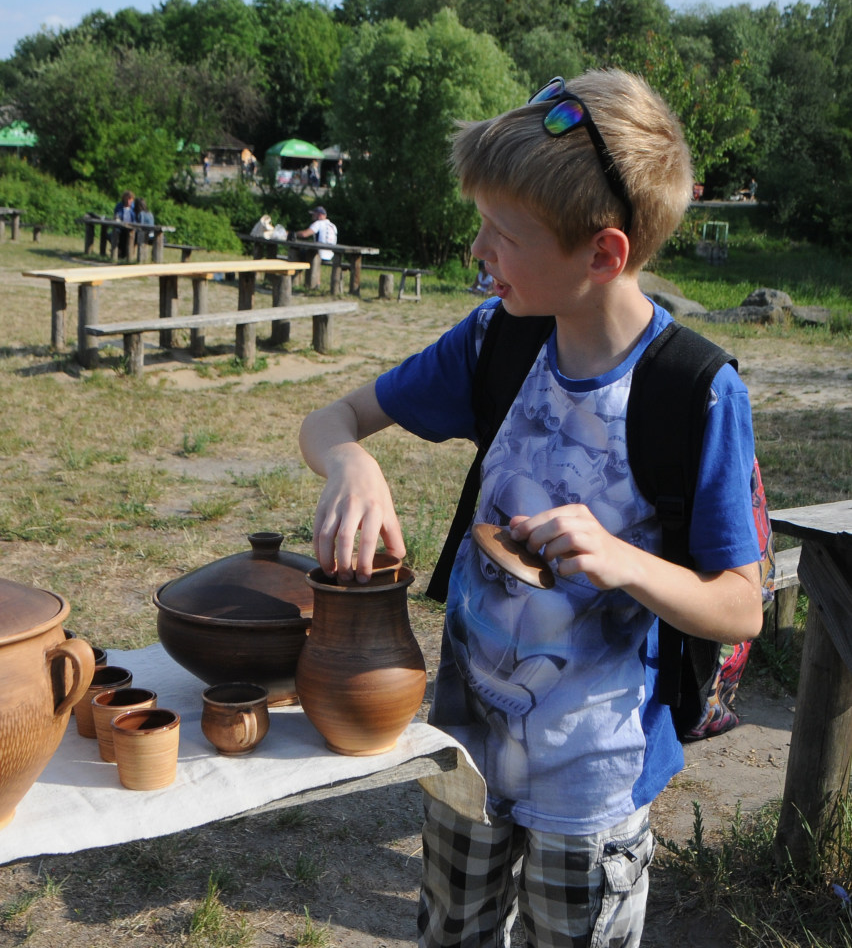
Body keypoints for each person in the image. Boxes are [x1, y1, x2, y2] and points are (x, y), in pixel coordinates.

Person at [298, 69, 764, 948]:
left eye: (504, 234)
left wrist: (625, 561)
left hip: (594, 784)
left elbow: (742, 603)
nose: (479, 249)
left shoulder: (693, 392)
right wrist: (350, 462)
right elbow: (330, 419)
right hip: (467, 750)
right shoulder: (495, 339)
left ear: (604, 254)